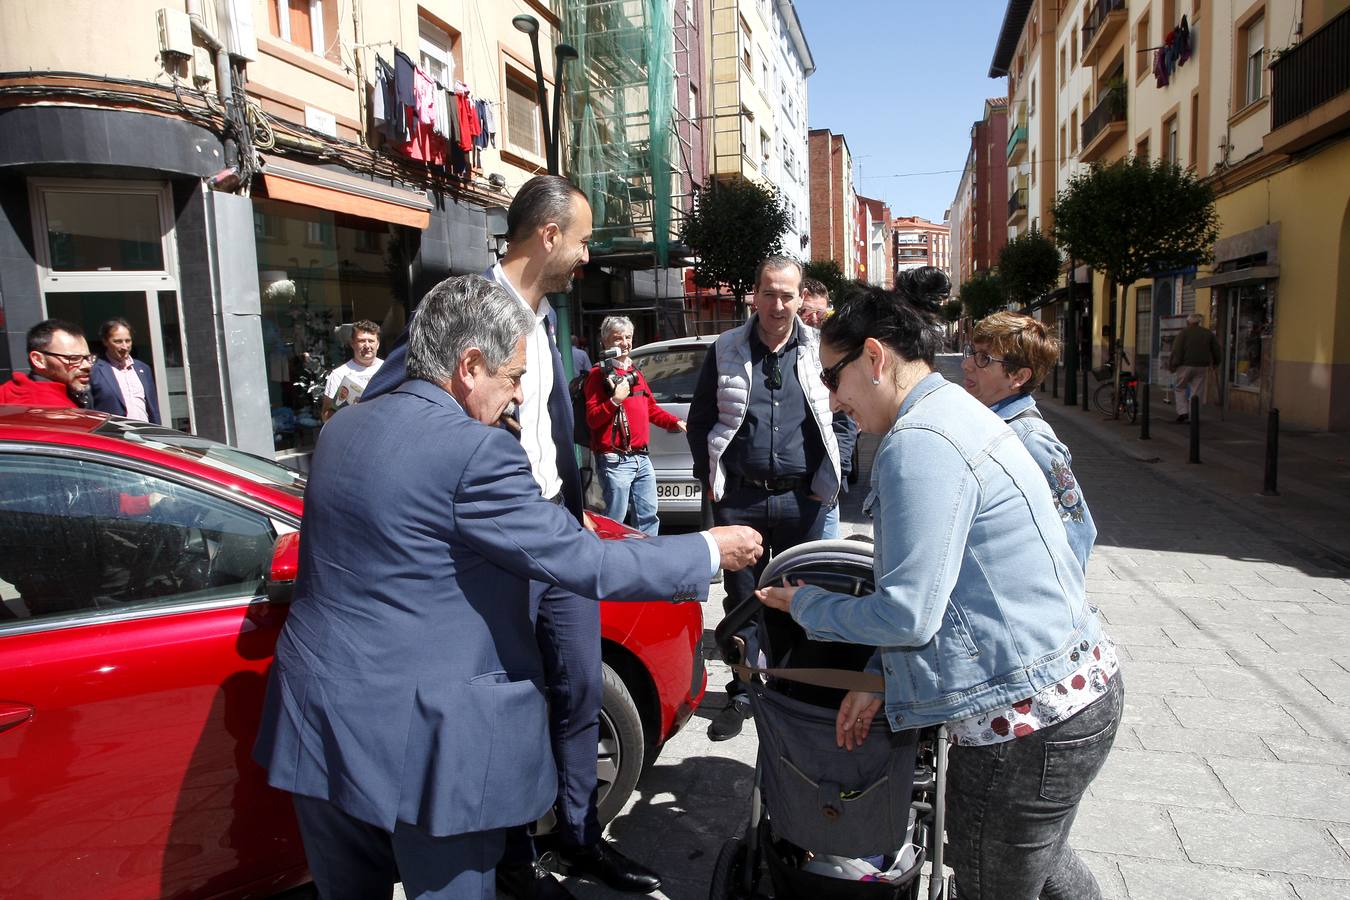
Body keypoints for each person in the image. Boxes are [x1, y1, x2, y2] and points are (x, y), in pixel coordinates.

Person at [254, 274, 762, 900]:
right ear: (469, 365)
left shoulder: (343, 430)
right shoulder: (474, 451)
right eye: (514, 377)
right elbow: (585, 562)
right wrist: (710, 548)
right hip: (430, 741)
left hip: (321, 717)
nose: (519, 396)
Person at [756, 268, 1122, 900]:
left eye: (829, 377)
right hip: (1067, 697)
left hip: (1025, 724)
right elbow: (937, 587)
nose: (831, 398)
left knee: (992, 881)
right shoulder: (951, 408)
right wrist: (881, 675)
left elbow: (907, 615)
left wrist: (808, 605)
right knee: (1037, 867)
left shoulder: (919, 442)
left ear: (873, 358)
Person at [362, 176, 658, 898]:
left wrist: (579, 503)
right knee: (513, 708)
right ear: (549, 235)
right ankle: (516, 862)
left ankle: (583, 836)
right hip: (493, 551)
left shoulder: (549, 316)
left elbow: (553, 422)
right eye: (583, 240)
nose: (587, 256)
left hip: (555, 530)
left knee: (580, 686)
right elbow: (387, 403)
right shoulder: (465, 313)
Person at [686, 255, 846, 742]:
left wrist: (835, 471)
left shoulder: (821, 350)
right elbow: (700, 421)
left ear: (802, 298)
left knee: (799, 600)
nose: (778, 304)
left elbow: (844, 415)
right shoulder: (727, 347)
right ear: (754, 293)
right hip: (743, 502)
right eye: (769, 293)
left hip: (803, 502)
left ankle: (792, 694)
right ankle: (741, 691)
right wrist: (714, 484)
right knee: (742, 602)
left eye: (787, 294)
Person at [961, 311, 1096, 571]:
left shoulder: (1030, 439)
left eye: (983, 358)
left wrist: (1063, 598)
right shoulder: (986, 421)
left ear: (1018, 377)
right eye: (971, 352)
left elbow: (1078, 528)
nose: (967, 364)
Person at [584, 317, 686, 535]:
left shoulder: (635, 373)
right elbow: (592, 418)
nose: (624, 343)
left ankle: (647, 561)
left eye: (628, 337)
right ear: (605, 342)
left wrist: (675, 421)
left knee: (649, 516)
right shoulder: (597, 375)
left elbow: (650, 408)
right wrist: (615, 400)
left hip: (641, 458)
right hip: (615, 459)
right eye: (617, 338)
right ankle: (612, 564)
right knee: (614, 519)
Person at [800, 278, 857, 540]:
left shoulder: (833, 360)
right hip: (778, 495)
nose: (813, 320)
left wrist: (831, 478)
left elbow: (846, 423)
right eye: (806, 312)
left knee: (822, 568)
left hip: (822, 491)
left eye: (820, 314)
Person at [0, 319, 94, 409]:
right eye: (74, 358)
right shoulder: (50, 411)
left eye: (87, 358)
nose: (87, 366)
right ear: (39, 360)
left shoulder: (10, 390)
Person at [89, 318, 161, 424]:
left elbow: (153, 408)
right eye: (118, 341)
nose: (124, 346)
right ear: (105, 342)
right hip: (115, 436)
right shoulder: (95, 371)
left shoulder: (143, 369)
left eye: (128, 341)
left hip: (144, 434)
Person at [321, 320, 383, 422]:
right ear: (352, 344)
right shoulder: (338, 374)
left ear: (378, 344)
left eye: (371, 341)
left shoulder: (388, 369)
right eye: (361, 341)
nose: (367, 346)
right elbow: (326, 416)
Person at [1168, 313, 1221, 422]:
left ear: (1188, 322)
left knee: (1180, 387)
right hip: (1202, 366)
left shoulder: (1183, 333)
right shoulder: (1207, 333)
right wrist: (1216, 362)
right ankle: (1194, 415)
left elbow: (1177, 350)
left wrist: (1174, 365)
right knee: (1197, 391)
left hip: (1185, 365)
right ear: (1199, 322)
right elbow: (1216, 349)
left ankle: (1183, 412)